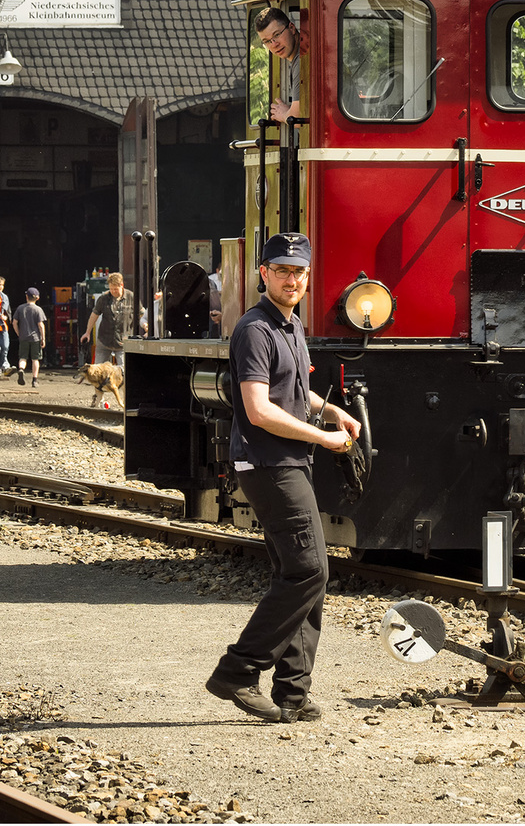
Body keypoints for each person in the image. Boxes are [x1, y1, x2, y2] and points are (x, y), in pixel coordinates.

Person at [206, 232, 360, 724]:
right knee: (310, 570)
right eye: (282, 270)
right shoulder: (255, 329)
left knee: (301, 572)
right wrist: (323, 439)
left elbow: (294, 391)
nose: (292, 279)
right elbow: (258, 408)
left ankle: (292, 690)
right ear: (263, 274)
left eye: (299, 272)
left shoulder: (291, 326)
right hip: (267, 461)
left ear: (307, 277)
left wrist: (331, 410)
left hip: (288, 461)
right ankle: (237, 672)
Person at [255, 7, 309, 123]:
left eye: (277, 34)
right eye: (267, 41)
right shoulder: (298, 57)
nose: (274, 44)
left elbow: (297, 119)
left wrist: (284, 114)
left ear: (292, 28)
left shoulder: (303, 59)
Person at [81, 272, 141, 368]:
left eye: (115, 289)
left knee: (125, 370)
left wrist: (146, 328)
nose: (113, 291)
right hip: (104, 340)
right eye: (111, 289)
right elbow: (94, 315)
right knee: (98, 370)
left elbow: (142, 315)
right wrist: (87, 332)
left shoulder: (131, 297)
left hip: (123, 341)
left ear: (122, 285)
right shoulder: (104, 298)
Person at [12, 287, 47, 388]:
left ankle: (21, 369)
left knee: (23, 357)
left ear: (26, 296)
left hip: (23, 337)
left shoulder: (20, 308)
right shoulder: (38, 310)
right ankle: (34, 380)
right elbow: (41, 325)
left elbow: (14, 323)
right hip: (35, 338)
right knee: (35, 359)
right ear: (37, 298)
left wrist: (19, 333)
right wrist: (43, 338)